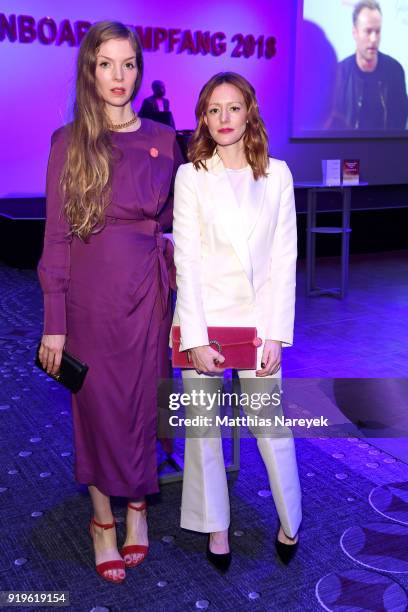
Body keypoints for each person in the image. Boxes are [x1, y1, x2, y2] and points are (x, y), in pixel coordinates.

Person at [38, 21, 182, 583]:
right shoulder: (67, 143)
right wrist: (54, 323)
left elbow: (180, 220)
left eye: (128, 64)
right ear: (89, 71)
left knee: (144, 401)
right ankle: (103, 520)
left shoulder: (163, 139)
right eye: (106, 64)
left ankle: (139, 512)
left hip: (147, 293)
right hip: (88, 300)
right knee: (95, 407)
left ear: (139, 71)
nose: (118, 76)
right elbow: (54, 237)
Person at [172, 72, 302, 571]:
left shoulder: (279, 175)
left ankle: (291, 519)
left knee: (271, 428)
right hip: (204, 321)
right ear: (203, 118)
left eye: (232, 107)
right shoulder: (191, 175)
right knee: (204, 429)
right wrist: (196, 338)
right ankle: (216, 526)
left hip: (258, 325)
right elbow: (187, 261)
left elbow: (282, 261)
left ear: (249, 111)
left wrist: (275, 334)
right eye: (213, 110)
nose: (223, 119)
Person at [332, 1, 408, 130]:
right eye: (368, 31)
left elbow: (399, 125)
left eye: (377, 31)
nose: (373, 39)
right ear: (355, 33)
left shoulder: (394, 71)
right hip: (346, 149)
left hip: (386, 149)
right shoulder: (340, 74)